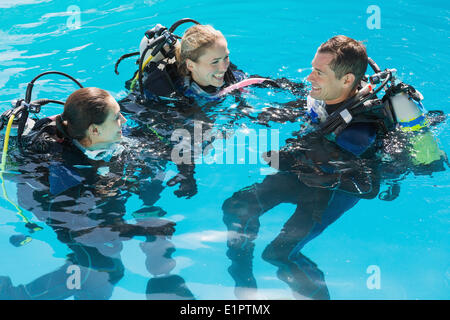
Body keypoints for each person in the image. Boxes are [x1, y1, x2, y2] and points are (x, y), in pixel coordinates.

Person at [221, 35, 387, 299]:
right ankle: (244, 285)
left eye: (319, 73)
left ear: (346, 80)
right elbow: (310, 122)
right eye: (312, 69)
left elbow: (327, 163)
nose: (310, 78)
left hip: (332, 191)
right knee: (236, 207)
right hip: (304, 173)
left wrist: (280, 158)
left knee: (279, 254)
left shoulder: (360, 131)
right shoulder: (324, 98)